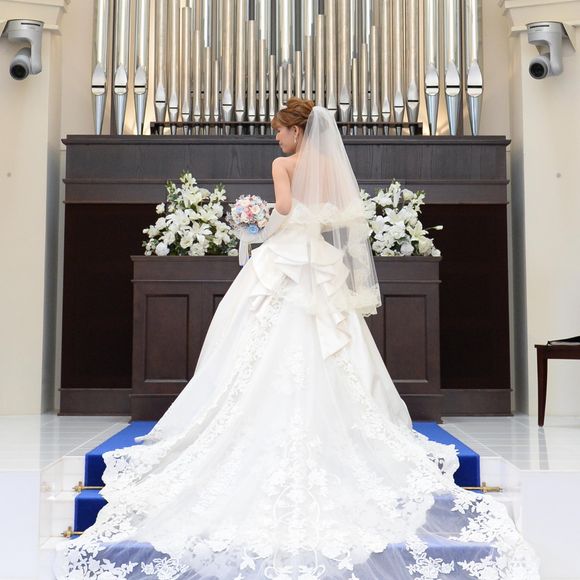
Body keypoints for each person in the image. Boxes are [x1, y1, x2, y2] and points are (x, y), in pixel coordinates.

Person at [53, 98, 541, 579]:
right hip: (317, 263)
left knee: (255, 340)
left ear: (296, 131)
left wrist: (253, 222)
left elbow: (284, 211)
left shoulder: (283, 165)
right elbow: (340, 215)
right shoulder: (329, 165)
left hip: (286, 258)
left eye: (280, 130)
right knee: (333, 338)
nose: (276, 138)